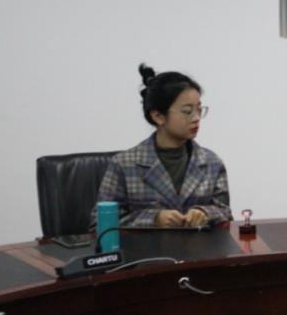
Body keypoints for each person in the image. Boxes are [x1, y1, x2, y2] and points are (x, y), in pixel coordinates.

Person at [92, 64, 232, 228]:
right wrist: (154, 219)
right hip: (147, 246)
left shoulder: (212, 163)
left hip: (200, 245)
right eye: (187, 111)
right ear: (158, 116)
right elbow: (99, 223)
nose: (196, 118)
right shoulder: (124, 165)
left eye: (199, 110)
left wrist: (205, 213)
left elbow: (225, 213)